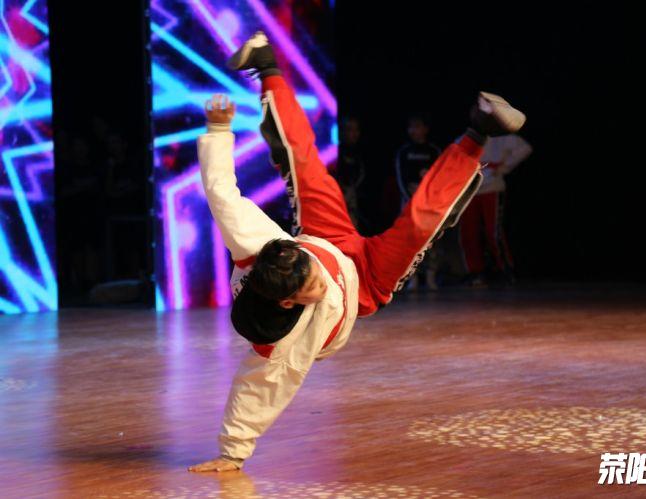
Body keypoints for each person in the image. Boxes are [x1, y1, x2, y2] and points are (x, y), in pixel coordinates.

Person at [188, 31, 526, 472]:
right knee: (420, 224)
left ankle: (266, 65)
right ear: (290, 302)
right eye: (313, 286)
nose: (319, 281)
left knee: (303, 165)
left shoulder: (258, 246)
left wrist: (218, 130)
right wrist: (232, 451)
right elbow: (256, 392)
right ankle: (478, 131)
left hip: (324, 239)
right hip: (365, 284)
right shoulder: (285, 345)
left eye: (309, 271)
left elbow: (221, 194)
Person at [460, 134, 532, 285]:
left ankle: (505, 269)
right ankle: (475, 271)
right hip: (468, 190)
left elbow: (525, 148)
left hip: (492, 188)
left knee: (493, 232)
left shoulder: (502, 137)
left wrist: (504, 167)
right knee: (469, 232)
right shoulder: (468, 137)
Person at [395, 113, 442, 290]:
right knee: (409, 241)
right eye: (411, 127)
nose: (414, 130)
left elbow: (438, 177)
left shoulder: (433, 151)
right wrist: (410, 198)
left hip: (429, 204)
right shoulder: (404, 152)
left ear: (425, 129)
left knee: (431, 240)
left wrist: (430, 198)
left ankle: (430, 276)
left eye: (418, 126)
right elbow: (400, 178)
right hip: (409, 203)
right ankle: (411, 278)